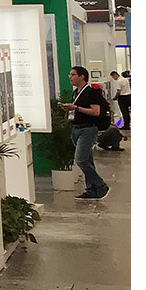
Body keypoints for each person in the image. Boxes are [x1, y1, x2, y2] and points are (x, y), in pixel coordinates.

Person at [61, 66, 110, 200]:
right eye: (70, 75)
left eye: (73, 75)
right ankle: (91, 189)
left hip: (88, 129)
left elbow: (96, 112)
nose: (70, 77)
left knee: (81, 160)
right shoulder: (76, 92)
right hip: (76, 128)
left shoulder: (91, 92)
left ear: (82, 76)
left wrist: (76, 107)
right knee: (88, 160)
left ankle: (100, 185)